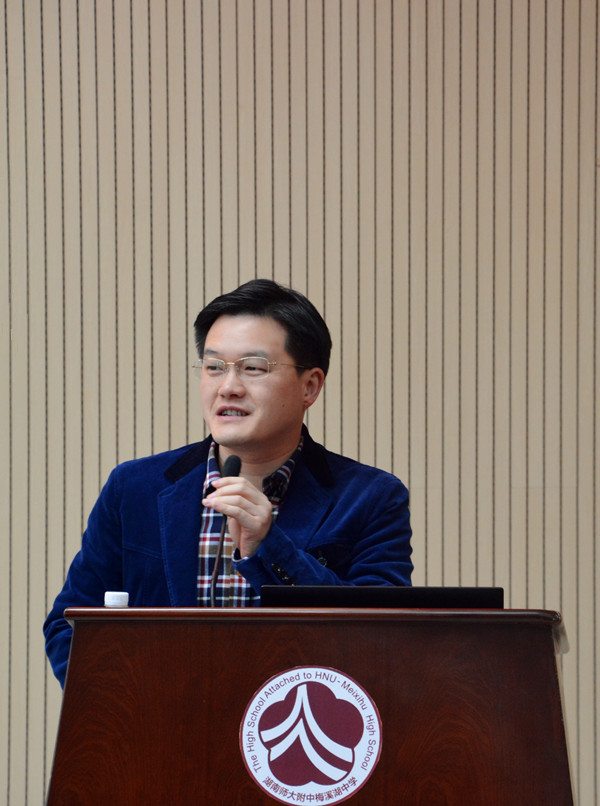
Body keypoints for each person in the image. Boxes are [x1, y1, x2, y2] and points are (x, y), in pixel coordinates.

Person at [44, 279, 412, 686]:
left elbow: (381, 642)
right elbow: (67, 627)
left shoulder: (371, 497)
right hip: (159, 722)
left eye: (253, 368)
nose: (228, 387)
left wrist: (269, 548)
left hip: (291, 724)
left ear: (310, 386)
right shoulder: (134, 488)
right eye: (214, 367)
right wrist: (137, 707)